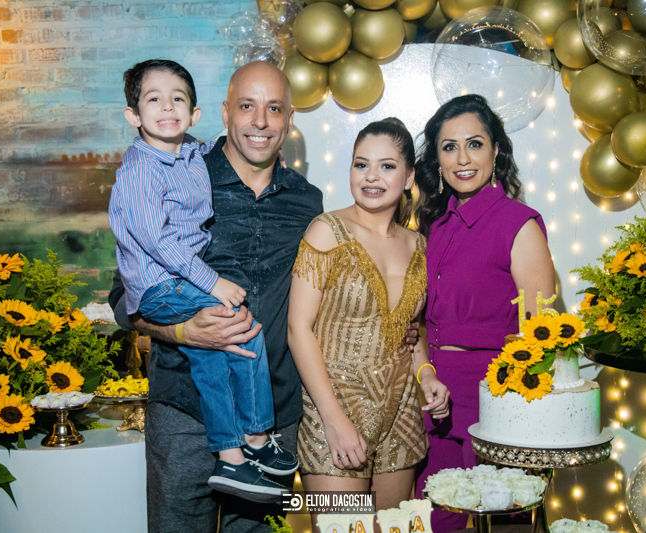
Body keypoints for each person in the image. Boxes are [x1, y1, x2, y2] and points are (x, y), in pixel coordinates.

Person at [108, 61, 323, 531]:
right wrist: (184, 331)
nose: (260, 121)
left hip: (273, 413)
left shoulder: (307, 202)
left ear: (290, 119)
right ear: (225, 112)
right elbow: (124, 296)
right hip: (184, 409)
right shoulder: (180, 174)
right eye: (247, 106)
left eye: (274, 109)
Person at [288, 118, 450, 531]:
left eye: (387, 166)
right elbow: (297, 329)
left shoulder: (419, 245)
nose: (371, 177)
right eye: (361, 165)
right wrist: (334, 422)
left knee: (395, 531)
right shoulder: (327, 231)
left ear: (409, 177)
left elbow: (409, 331)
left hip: (401, 416)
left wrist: (427, 374)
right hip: (333, 411)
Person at [412, 95, 555, 532]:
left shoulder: (519, 224)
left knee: (505, 521)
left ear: (496, 151)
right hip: (436, 398)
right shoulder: (435, 226)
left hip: (496, 400)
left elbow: (541, 335)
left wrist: (516, 412)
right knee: (433, 521)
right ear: (437, 160)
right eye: (449, 147)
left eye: (474, 144)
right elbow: (419, 321)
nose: (463, 159)